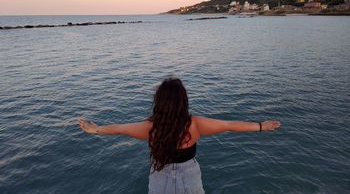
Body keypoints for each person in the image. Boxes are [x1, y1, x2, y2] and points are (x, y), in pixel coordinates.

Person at [79, 77, 281, 193]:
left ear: (159, 102)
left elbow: (119, 128)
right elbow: (229, 125)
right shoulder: (195, 124)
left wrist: (94, 129)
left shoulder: (150, 128)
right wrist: (261, 126)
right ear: (183, 101)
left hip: (160, 178)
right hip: (190, 179)